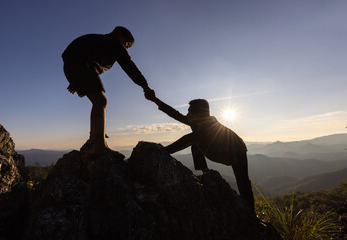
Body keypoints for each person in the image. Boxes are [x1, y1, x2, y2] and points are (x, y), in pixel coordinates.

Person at [145, 92, 255, 212]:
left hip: (237, 151)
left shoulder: (209, 126)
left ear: (199, 114)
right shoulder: (196, 121)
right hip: (218, 150)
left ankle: (251, 212)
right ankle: (205, 171)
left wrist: (164, 151)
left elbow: (187, 139)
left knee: (242, 180)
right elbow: (175, 114)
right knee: (196, 144)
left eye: (190, 111)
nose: (187, 114)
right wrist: (155, 100)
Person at [62, 26, 153, 154]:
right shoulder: (114, 42)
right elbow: (129, 66)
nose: (126, 48)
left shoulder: (101, 41)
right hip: (82, 63)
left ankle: (94, 138)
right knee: (100, 101)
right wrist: (145, 86)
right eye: (127, 44)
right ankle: (100, 147)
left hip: (73, 64)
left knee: (98, 101)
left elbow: (80, 55)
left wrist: (75, 81)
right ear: (120, 35)